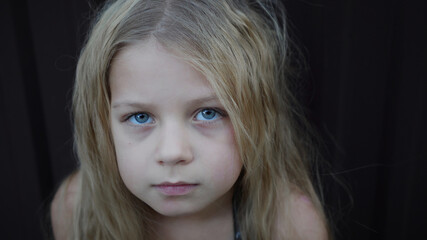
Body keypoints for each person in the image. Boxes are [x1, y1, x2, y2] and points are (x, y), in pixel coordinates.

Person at [50, 0, 329, 239]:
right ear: (100, 125)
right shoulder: (78, 210)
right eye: (140, 116)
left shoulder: (290, 225)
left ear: (256, 118)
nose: (172, 153)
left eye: (208, 113)